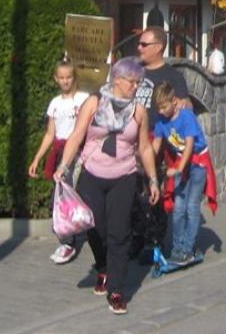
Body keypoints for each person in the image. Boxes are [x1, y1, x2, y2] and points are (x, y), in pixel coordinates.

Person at [54, 57, 160, 316]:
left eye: (138, 82)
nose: (135, 87)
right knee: (95, 228)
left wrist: (153, 179)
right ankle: (102, 267)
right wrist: (63, 166)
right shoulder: (94, 103)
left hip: (124, 176)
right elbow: (77, 135)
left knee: (119, 232)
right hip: (92, 174)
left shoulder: (138, 111)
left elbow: (145, 147)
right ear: (117, 80)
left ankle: (117, 289)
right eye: (131, 82)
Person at [133, 26, 191, 256]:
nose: (139, 48)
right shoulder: (134, 71)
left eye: (144, 44)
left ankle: (154, 240)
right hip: (131, 139)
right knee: (131, 190)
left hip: (155, 140)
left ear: (158, 47)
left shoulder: (172, 76)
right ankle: (135, 236)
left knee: (153, 188)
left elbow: (186, 106)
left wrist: (182, 106)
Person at [28, 59, 90, 265]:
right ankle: (67, 241)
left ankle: (92, 231)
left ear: (74, 78)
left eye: (69, 77)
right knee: (63, 196)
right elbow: (50, 134)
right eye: (61, 78)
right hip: (61, 153)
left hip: (80, 152)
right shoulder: (55, 103)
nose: (65, 81)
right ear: (56, 79)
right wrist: (37, 158)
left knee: (83, 194)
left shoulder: (83, 99)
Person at [152, 82, 215, 265]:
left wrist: (179, 169)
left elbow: (189, 145)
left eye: (164, 107)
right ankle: (177, 247)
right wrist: (143, 157)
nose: (161, 111)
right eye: (159, 108)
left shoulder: (186, 116)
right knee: (178, 208)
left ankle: (187, 249)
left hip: (198, 163)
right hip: (182, 163)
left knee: (191, 206)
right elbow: (156, 145)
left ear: (174, 102)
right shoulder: (161, 120)